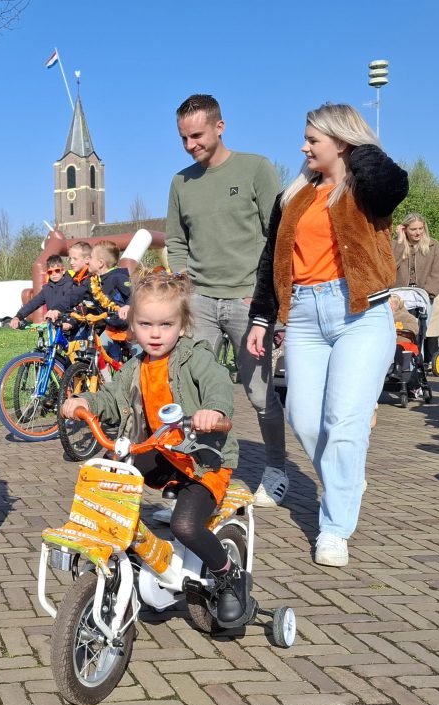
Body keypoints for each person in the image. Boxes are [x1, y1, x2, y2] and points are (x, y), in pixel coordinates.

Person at [246, 103, 408, 568]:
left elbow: (394, 184)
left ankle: (334, 528)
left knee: (344, 421)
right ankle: (347, 479)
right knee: (302, 416)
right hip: (303, 315)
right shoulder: (295, 195)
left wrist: (357, 151)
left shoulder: (368, 188)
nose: (303, 147)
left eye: (313, 139)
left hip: (361, 312)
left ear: (341, 141)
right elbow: (271, 261)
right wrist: (262, 317)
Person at [59, 271, 251, 626]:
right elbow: (111, 398)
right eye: (146, 324)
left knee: (185, 525)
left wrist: (214, 410)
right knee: (114, 472)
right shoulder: (135, 366)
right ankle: (117, 547)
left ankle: (229, 575)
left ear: (182, 325)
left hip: (203, 461)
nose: (156, 333)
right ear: (133, 326)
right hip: (164, 454)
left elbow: (218, 383)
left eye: (166, 324)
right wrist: (86, 401)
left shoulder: (195, 357)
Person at [163, 93, 290, 507]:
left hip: (247, 301)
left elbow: (278, 236)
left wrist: (266, 296)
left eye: (197, 135)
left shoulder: (256, 168)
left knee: (259, 393)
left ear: (220, 127)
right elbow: (176, 241)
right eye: (183, 138)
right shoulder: (180, 182)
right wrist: (184, 285)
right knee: (191, 392)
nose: (190, 145)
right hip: (200, 301)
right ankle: (198, 478)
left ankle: (275, 469)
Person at [392, 212, 439, 360]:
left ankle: (418, 361)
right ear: (405, 229)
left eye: (420, 228)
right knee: (399, 330)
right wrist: (400, 242)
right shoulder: (394, 245)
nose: (418, 232)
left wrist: (429, 293)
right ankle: (397, 360)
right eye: (413, 229)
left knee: (420, 331)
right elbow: (389, 267)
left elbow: (438, 273)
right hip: (398, 296)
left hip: (423, 296)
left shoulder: (434, 246)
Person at [8, 255, 87, 329]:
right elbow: (33, 303)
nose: (54, 274)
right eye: (50, 272)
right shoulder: (46, 289)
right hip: (54, 326)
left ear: (63, 270)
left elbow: (74, 305)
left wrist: (69, 322)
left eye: (57, 270)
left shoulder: (72, 285)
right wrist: (18, 316)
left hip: (72, 326)